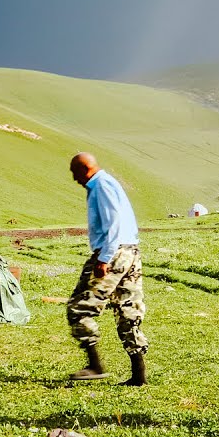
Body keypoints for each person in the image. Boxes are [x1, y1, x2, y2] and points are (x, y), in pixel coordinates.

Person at [65, 152, 148, 385]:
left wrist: (104, 259)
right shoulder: (108, 183)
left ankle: (95, 365)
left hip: (114, 252)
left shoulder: (101, 186)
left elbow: (114, 223)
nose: (74, 179)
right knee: (127, 309)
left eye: (75, 173)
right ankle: (139, 375)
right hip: (130, 251)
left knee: (79, 307)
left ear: (85, 169)